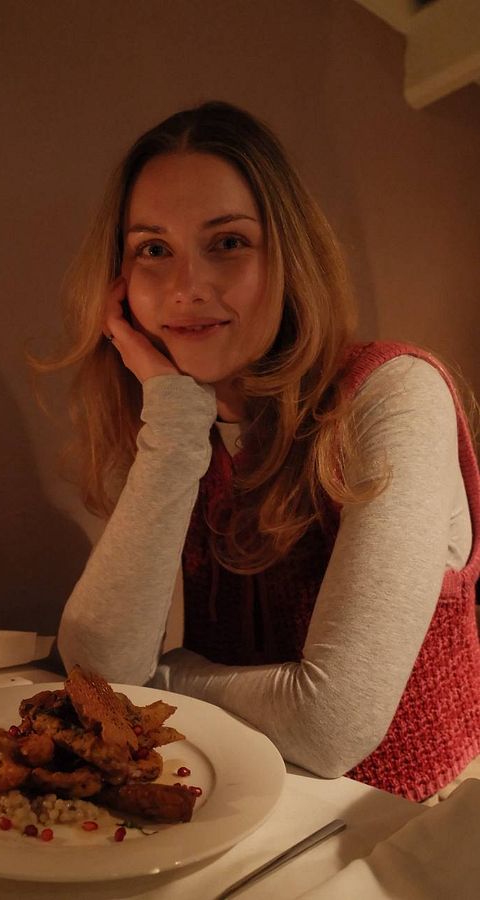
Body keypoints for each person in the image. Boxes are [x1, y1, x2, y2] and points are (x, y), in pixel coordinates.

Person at [43, 100, 480, 803]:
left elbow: (329, 726)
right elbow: (95, 667)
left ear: (288, 258)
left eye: (228, 242)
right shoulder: (181, 422)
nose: (186, 288)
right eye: (153, 250)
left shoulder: (395, 393)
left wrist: (158, 679)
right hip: (246, 820)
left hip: (407, 831)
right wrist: (174, 428)